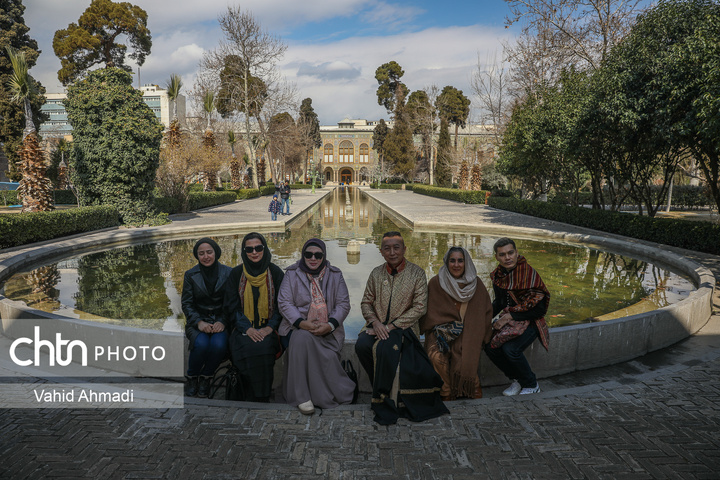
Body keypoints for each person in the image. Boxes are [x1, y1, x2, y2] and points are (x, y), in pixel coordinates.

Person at [355, 231, 448, 424]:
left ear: (404, 249)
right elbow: (366, 302)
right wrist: (376, 323)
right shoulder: (376, 273)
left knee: (386, 347)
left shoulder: (417, 273)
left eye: (396, 247)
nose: (392, 252)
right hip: (376, 325)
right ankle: (379, 389)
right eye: (387, 248)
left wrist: (391, 326)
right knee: (362, 345)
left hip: (404, 328)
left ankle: (384, 395)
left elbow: (420, 307)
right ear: (381, 251)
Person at [277, 239, 355, 414]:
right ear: (303, 255)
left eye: (318, 255)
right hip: (295, 327)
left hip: (327, 330)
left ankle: (310, 394)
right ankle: (302, 397)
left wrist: (330, 325)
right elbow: (284, 303)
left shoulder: (335, 275)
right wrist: (301, 323)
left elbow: (343, 304)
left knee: (304, 339)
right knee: (301, 337)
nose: (313, 258)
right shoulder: (291, 274)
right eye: (308, 254)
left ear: (324, 256)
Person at [420, 246, 493, 401]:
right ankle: (446, 391)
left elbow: (485, 312)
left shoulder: (476, 285)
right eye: (452, 261)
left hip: (469, 332)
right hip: (441, 332)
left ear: (466, 263)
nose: (456, 265)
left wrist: (478, 333)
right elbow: (428, 314)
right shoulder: (436, 283)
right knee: (436, 355)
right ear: (447, 263)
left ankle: (469, 386)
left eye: (460, 260)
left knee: (466, 352)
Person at [485, 237, 550, 396]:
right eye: (502, 254)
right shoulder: (498, 276)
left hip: (532, 320)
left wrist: (508, 317)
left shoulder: (528, 273)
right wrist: (484, 319)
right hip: (512, 320)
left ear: (516, 253)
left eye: (510, 253)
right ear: (496, 257)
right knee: (489, 346)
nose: (507, 258)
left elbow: (540, 310)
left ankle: (531, 383)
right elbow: (500, 302)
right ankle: (517, 380)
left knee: (510, 349)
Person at [224, 232, 284, 402]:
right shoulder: (236, 274)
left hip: (269, 328)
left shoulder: (275, 273)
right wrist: (248, 329)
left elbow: (282, 306)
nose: (254, 252)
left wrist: (269, 327)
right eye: (249, 249)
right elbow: (232, 306)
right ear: (244, 252)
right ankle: (246, 394)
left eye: (258, 248)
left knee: (263, 347)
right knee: (246, 346)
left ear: (264, 249)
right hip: (243, 328)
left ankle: (262, 395)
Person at [182, 238, 232, 397]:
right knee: (201, 344)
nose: (206, 256)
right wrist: (198, 322)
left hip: (221, 321)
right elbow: (187, 304)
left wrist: (223, 321)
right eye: (201, 253)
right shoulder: (190, 275)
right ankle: (192, 377)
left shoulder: (229, 272)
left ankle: (206, 378)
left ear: (216, 252)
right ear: (197, 256)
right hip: (197, 321)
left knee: (218, 345)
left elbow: (232, 302)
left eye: (209, 252)